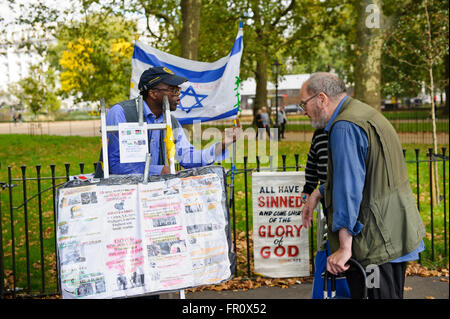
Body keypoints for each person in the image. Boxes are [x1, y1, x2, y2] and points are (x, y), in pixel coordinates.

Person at [301, 72, 425, 299]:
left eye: (304, 104)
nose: (304, 111)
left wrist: (344, 248)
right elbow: (364, 174)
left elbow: (348, 189)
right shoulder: (361, 112)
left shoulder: (344, 127)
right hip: (392, 232)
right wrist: (318, 192)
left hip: (375, 244)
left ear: (321, 98)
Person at [105, 66, 241, 176]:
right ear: (153, 93)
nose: (178, 97)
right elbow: (116, 164)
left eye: (178, 91)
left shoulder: (171, 121)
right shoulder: (121, 113)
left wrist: (224, 144)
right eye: (173, 91)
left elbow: (188, 157)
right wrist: (159, 171)